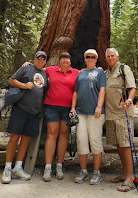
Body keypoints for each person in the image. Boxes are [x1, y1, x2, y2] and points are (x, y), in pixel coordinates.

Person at [1, 51, 48, 184]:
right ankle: (7, 168)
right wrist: (24, 85)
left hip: (35, 112)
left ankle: (18, 167)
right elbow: (12, 81)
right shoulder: (26, 68)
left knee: (26, 139)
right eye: (38, 58)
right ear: (34, 59)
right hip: (21, 108)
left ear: (45, 61)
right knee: (15, 137)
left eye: (43, 59)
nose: (41, 60)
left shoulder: (45, 74)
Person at [70, 49, 106, 185]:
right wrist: (73, 108)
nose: (90, 59)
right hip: (80, 112)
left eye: (93, 57)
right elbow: (75, 92)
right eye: (88, 57)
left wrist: (99, 106)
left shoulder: (100, 73)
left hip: (95, 113)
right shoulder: (80, 74)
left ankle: (96, 172)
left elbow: (102, 90)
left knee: (95, 140)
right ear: (84, 59)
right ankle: (83, 171)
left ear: (96, 59)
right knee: (81, 140)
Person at [43, 52, 79, 182]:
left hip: (67, 109)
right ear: (59, 61)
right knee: (52, 134)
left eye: (67, 59)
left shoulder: (76, 73)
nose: (65, 61)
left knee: (63, 134)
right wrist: (28, 64)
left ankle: (59, 165)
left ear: (70, 61)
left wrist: (99, 69)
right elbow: (38, 69)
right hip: (51, 106)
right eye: (63, 59)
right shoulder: (51, 70)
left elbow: (87, 73)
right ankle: (48, 167)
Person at [105, 47, 136, 192]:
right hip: (111, 113)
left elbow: (132, 87)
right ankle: (124, 173)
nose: (110, 58)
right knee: (118, 144)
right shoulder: (106, 73)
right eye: (108, 56)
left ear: (117, 57)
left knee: (125, 144)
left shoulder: (124, 69)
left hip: (123, 113)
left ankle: (130, 178)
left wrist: (129, 100)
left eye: (112, 56)